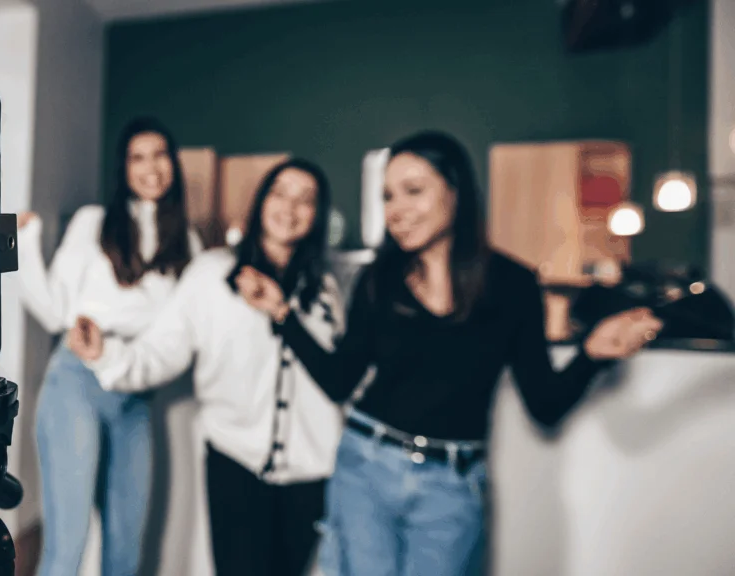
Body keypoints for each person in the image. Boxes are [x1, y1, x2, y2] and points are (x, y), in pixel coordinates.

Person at [234, 131, 664, 576]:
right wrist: (282, 313)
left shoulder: (513, 285)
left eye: (414, 191)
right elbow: (339, 380)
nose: (397, 210)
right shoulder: (379, 281)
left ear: (455, 191)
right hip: (365, 468)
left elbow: (546, 406)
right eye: (388, 196)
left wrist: (592, 354)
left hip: (452, 487)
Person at [68, 159, 345, 576]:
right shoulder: (211, 274)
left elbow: (337, 375)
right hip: (236, 463)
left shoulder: (323, 289)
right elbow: (162, 352)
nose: (290, 208)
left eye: (306, 200)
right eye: (280, 193)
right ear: (261, 201)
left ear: (317, 216)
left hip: (310, 474)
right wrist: (104, 355)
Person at [16, 117, 202, 576]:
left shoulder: (188, 243)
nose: (151, 167)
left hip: (137, 392)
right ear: (124, 168)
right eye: (138, 157)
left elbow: (178, 337)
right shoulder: (92, 222)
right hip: (77, 378)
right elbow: (55, 310)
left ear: (173, 165)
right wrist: (24, 244)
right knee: (68, 541)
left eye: (160, 155)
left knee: (127, 544)